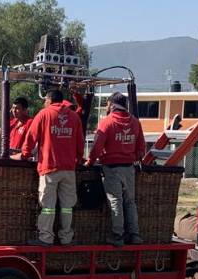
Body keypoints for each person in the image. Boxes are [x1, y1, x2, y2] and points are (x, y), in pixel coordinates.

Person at [19, 88, 84, 245]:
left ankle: (46, 237)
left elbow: (31, 138)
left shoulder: (44, 114)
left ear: (49, 100)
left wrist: (24, 155)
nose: (44, 103)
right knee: (67, 206)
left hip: (49, 168)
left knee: (48, 206)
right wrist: (79, 158)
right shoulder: (74, 117)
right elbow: (80, 142)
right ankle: (66, 237)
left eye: (45, 100)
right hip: (69, 169)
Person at [87, 92, 146, 247]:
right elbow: (141, 148)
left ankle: (117, 235)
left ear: (112, 105)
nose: (106, 106)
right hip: (129, 168)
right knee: (130, 202)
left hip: (111, 167)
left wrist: (90, 161)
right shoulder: (135, 122)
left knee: (115, 201)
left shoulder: (106, 122)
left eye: (107, 104)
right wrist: (133, 156)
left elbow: (97, 148)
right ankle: (134, 234)